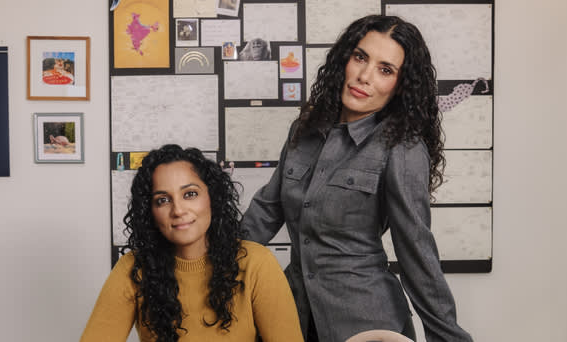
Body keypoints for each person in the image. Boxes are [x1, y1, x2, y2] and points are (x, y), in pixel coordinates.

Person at [240, 15, 473, 342]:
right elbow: (265, 211)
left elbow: (417, 255)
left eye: (385, 70)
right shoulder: (303, 130)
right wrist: (205, 265)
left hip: (367, 321)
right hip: (291, 315)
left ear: (400, 85)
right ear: (344, 59)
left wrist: (448, 337)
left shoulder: (402, 149)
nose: (364, 76)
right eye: (361, 57)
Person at [80, 144, 304, 342]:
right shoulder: (133, 268)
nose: (178, 210)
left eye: (190, 194)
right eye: (163, 200)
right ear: (150, 213)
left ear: (212, 197)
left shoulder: (256, 263)